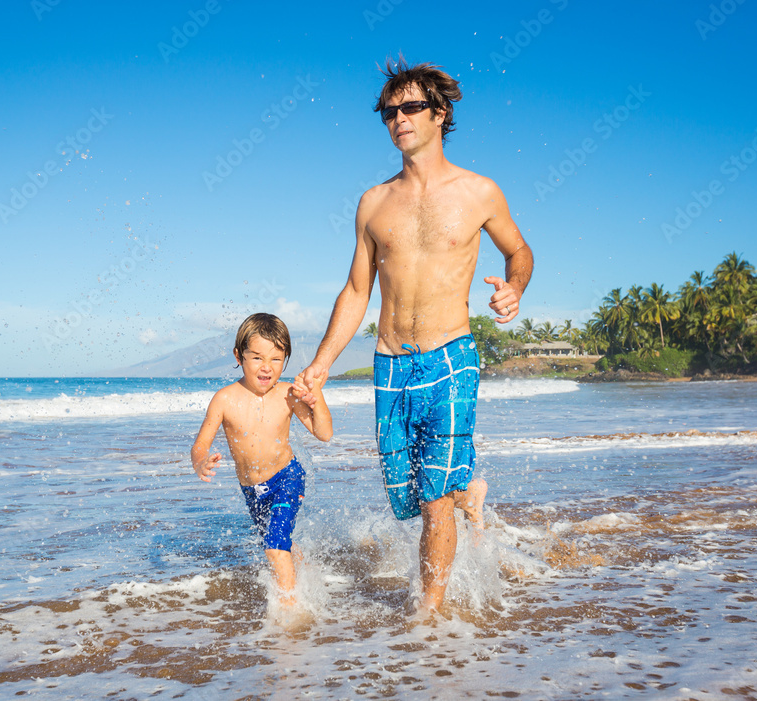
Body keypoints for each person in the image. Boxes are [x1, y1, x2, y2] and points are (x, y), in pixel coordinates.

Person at [299, 57, 534, 614]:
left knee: (432, 504)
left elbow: (518, 251)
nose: (398, 118)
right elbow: (356, 291)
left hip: (452, 357)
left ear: (440, 113)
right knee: (405, 498)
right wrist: (322, 363)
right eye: (389, 111)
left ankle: (429, 619)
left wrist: (515, 287)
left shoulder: (480, 192)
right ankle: (466, 491)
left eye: (410, 107)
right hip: (390, 366)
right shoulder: (373, 204)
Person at [192, 312, 333, 607]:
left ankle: (290, 613)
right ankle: (307, 572)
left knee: (273, 545)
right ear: (238, 356)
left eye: (276, 359)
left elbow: (324, 433)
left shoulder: (287, 394)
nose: (266, 367)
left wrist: (315, 397)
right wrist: (201, 461)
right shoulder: (224, 399)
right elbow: (201, 444)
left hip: (287, 478)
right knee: (279, 543)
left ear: (285, 360)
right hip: (252, 491)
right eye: (256, 358)